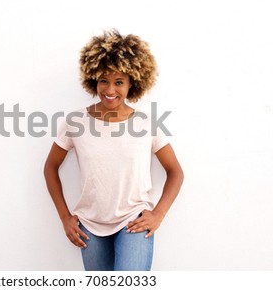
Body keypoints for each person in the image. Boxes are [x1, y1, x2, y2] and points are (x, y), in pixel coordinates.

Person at [43, 29, 184, 271]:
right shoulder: (76, 122)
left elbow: (175, 172)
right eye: (104, 81)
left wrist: (158, 214)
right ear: (93, 80)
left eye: (119, 82)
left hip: (133, 221)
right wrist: (65, 217)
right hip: (89, 224)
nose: (110, 90)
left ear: (132, 84)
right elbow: (50, 168)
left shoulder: (146, 124)